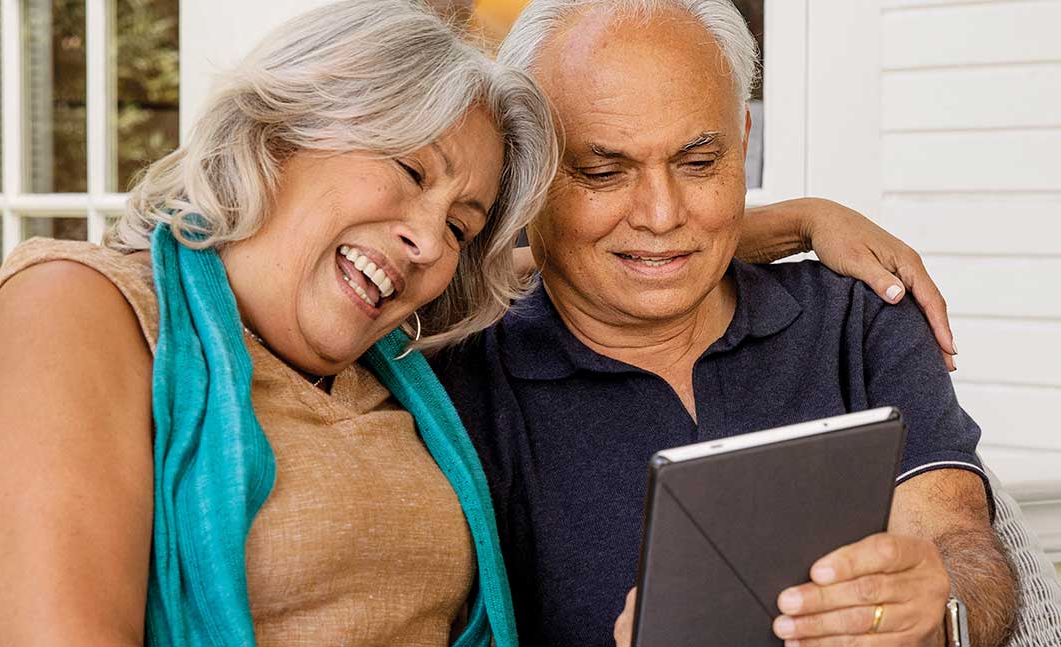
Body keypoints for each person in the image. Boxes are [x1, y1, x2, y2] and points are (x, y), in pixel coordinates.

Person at [0, 1, 969, 646]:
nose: (423, 240)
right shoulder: (88, 306)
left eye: (459, 222)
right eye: (409, 170)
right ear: (282, 130)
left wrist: (779, 225)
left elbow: (604, 248)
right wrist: (788, 221)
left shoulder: (395, 364)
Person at [431, 1, 1018, 646]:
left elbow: (963, 549)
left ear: (742, 140)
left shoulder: (861, 316)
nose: (661, 214)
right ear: (529, 174)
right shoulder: (457, 386)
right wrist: (794, 221)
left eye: (700, 163)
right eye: (604, 172)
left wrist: (938, 614)